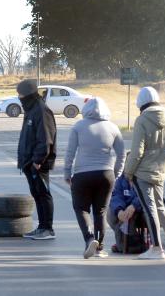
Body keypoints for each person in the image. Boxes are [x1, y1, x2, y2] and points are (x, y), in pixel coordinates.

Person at [124, 86, 165, 259]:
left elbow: (137, 152)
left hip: (143, 172)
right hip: (161, 170)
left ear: (140, 103)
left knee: (150, 209)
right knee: (161, 208)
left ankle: (157, 248)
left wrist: (128, 172)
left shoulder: (141, 120)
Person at [64, 97, 125, 259]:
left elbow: (70, 153)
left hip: (82, 174)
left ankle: (89, 238)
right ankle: (100, 248)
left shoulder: (78, 126)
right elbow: (121, 155)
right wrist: (117, 173)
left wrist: (67, 173)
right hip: (106, 174)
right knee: (101, 211)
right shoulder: (113, 127)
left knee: (81, 208)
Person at [16, 79, 58, 240]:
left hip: (39, 163)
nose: (19, 98)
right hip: (29, 162)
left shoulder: (41, 110)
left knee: (43, 193)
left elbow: (45, 138)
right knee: (36, 194)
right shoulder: (31, 109)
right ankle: (41, 227)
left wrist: (38, 160)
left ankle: (48, 228)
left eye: (21, 95)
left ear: (28, 95)